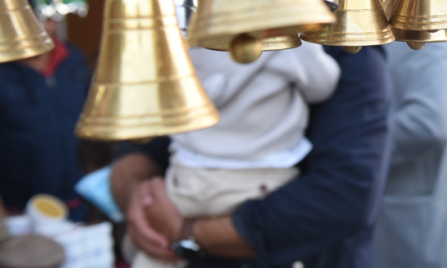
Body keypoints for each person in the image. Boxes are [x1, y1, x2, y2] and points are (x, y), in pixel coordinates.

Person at [110, 44, 393, 268]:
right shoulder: (189, 25)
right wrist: (139, 197)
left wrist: (185, 230)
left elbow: (345, 196)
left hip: (191, 197)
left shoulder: (347, 35)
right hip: (226, 193)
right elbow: (139, 148)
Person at [0, 18, 92, 220]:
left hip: (78, 204)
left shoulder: (74, 59)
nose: (43, 28)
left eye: (47, 20)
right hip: (16, 211)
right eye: (30, 20)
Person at [374, 28, 447, 268]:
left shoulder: (427, 29)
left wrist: (355, 144)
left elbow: (430, 123)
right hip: (425, 227)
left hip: (426, 233)